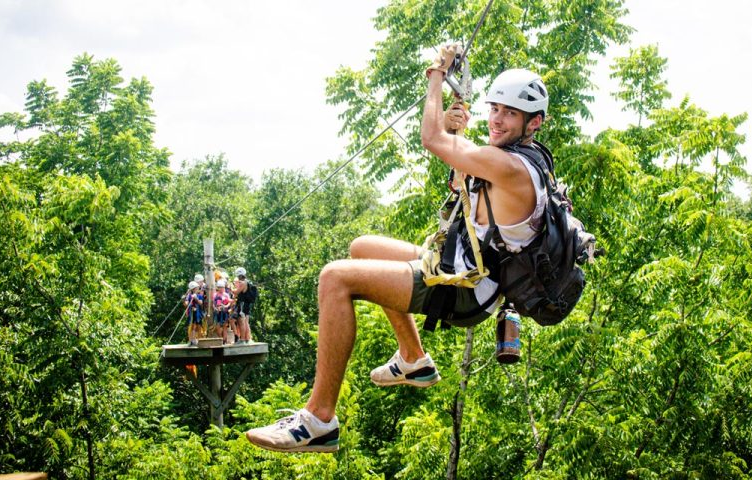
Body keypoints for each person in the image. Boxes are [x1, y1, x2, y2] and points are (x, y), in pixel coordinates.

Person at [246, 45, 550, 453]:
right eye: (495, 108)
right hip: (461, 267)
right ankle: (413, 358)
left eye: (510, 113)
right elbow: (470, 185)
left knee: (334, 278)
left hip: (466, 289)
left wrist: (437, 76)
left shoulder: (513, 167)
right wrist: (457, 134)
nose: (497, 118)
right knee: (361, 248)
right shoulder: (514, 159)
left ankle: (319, 420)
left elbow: (430, 138)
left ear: (535, 123)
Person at [232, 267, 254, 344]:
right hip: (246, 304)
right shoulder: (247, 282)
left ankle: (243, 339)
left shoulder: (243, 283)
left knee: (242, 322)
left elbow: (236, 292)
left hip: (243, 304)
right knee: (246, 322)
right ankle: (248, 338)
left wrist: (231, 288)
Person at [183, 280, 205, 347]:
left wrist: (196, 299)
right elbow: (186, 305)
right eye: (196, 288)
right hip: (192, 313)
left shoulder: (199, 295)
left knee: (198, 326)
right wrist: (184, 299)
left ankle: (198, 340)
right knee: (192, 326)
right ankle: (191, 340)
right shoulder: (189, 296)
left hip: (198, 313)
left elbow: (201, 303)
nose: (197, 289)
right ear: (193, 289)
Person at [213, 279, 232, 344]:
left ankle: (224, 340)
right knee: (218, 326)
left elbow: (229, 303)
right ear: (218, 288)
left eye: (223, 287)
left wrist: (225, 306)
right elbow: (213, 303)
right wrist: (215, 308)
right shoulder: (215, 295)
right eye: (220, 287)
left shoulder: (226, 294)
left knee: (225, 326)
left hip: (225, 312)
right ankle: (221, 339)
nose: (222, 289)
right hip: (218, 312)